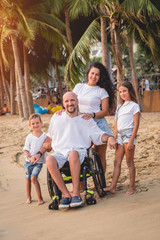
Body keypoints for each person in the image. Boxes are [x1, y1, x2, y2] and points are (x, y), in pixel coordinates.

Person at [42, 92, 117, 209]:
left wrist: (110, 137)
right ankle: (67, 195)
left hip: (78, 152)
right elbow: (50, 137)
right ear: (63, 103)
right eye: (66, 101)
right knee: (50, 159)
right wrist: (43, 148)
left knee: (73, 154)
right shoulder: (57, 117)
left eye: (72, 100)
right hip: (61, 152)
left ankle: (76, 194)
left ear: (77, 101)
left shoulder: (85, 119)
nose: (69, 103)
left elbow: (98, 134)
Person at [73, 62, 115, 174]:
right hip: (81, 124)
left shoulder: (101, 91)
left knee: (100, 155)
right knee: (80, 153)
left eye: (97, 74)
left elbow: (105, 111)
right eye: (92, 73)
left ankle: (102, 184)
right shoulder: (79, 87)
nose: (94, 76)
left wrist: (93, 115)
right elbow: (71, 103)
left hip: (98, 124)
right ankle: (80, 186)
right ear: (88, 73)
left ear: (100, 77)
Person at [104, 81, 140, 195]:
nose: (122, 94)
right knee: (116, 162)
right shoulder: (120, 107)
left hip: (129, 135)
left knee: (129, 162)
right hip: (119, 135)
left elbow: (136, 125)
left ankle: (132, 187)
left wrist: (131, 140)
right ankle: (112, 187)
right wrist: (113, 138)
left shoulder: (134, 106)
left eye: (124, 91)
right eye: (120, 92)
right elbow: (116, 125)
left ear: (129, 91)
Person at [23, 113, 47, 205]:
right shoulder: (29, 137)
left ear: (41, 123)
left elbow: (46, 147)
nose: (35, 125)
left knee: (33, 178)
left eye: (37, 123)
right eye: (33, 124)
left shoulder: (45, 136)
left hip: (38, 162)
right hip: (28, 162)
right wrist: (29, 158)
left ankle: (40, 198)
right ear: (30, 125)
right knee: (28, 179)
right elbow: (26, 149)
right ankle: (29, 198)